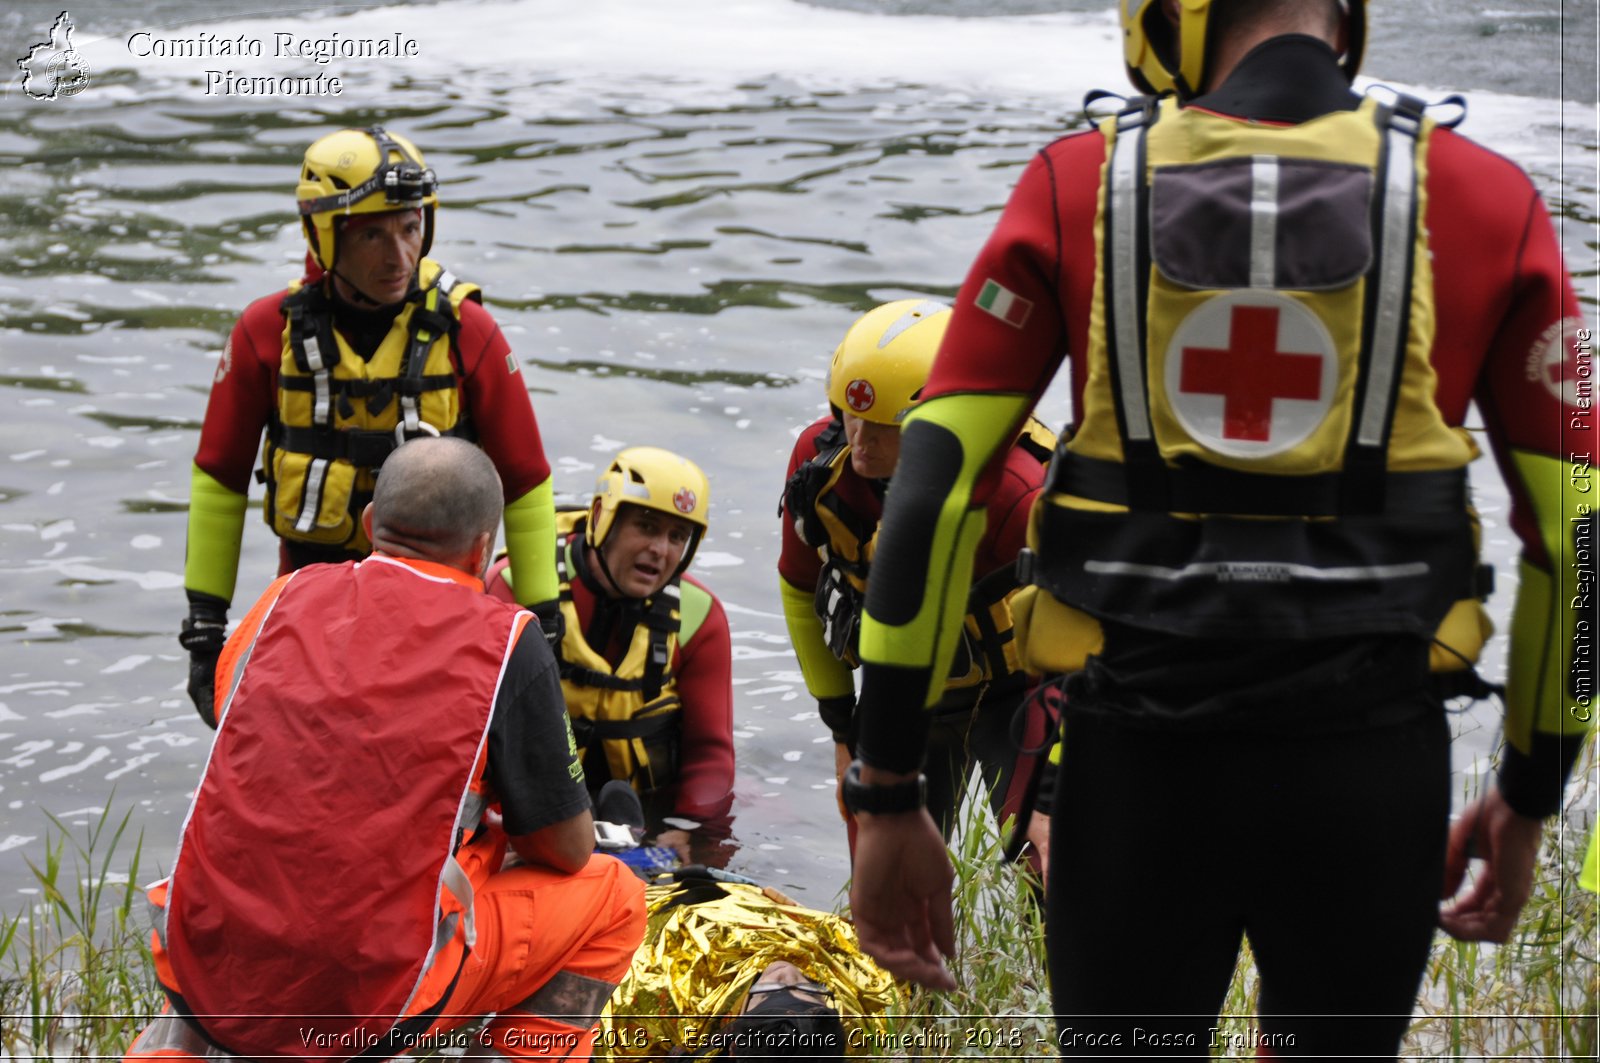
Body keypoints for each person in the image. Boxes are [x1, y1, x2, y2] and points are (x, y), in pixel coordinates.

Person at [844, 1, 1595, 1058]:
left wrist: (882, 793)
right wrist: (1527, 791)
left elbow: (930, 486)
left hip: (1138, 776)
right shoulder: (1483, 196)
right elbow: (1582, 535)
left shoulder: (1077, 184)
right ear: (1347, 16)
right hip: (1370, 778)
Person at [125, 437, 644, 1062]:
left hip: (206, 955)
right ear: (484, 548)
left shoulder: (279, 599)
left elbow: (252, 739)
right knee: (614, 895)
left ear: (371, 525)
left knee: (244, 886)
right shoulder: (507, 640)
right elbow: (563, 849)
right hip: (371, 997)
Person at [179, 125, 559, 728]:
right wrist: (205, 628)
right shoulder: (263, 332)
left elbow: (527, 479)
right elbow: (220, 481)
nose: (400, 256)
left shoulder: (469, 331)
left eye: (411, 229)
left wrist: (544, 620)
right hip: (311, 616)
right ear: (324, 238)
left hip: (444, 620)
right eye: (374, 235)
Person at [778, 299, 1053, 854]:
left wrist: (1048, 795)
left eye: (884, 429)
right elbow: (799, 585)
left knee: (1041, 855)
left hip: (1020, 693)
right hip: (898, 690)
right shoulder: (820, 465)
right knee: (884, 865)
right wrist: (839, 730)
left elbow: (1089, 641)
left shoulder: (1017, 492)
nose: (859, 444)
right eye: (848, 417)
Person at [489, 447, 735, 856]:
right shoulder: (515, 587)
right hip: (531, 811)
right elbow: (481, 735)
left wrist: (686, 828)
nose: (661, 550)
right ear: (602, 517)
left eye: (677, 536)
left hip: (648, 818)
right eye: (647, 526)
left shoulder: (701, 617)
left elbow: (711, 752)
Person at [597, 868, 898, 1060]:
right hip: (744, 903)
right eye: (809, 989)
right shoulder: (855, 1019)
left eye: (767, 993)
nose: (787, 971)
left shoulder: (662, 1014)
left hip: (663, 910)